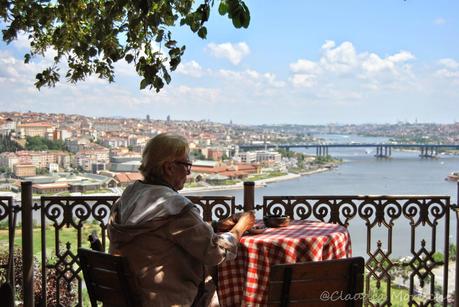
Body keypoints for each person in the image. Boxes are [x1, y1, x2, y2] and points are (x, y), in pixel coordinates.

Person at [108, 133, 255, 307]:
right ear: (169, 168)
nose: (189, 172)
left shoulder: (128, 196)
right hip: (167, 299)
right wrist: (240, 228)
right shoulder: (175, 207)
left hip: (127, 298)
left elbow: (164, 234)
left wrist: (216, 226)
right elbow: (214, 252)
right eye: (186, 165)